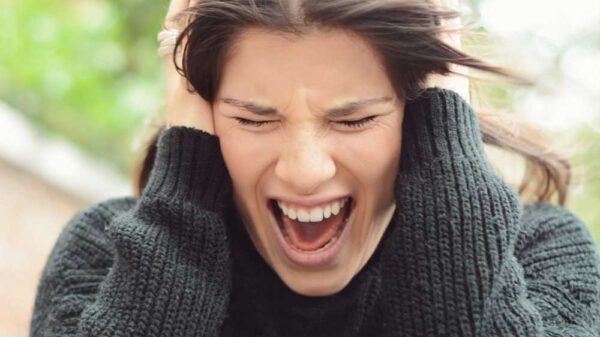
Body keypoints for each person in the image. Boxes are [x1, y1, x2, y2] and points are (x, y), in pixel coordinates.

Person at [29, 0, 600, 336]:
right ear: (199, 116)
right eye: (253, 120)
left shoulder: (544, 258)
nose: (304, 171)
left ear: (427, 109)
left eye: (354, 120)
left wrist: (447, 183)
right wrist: (181, 206)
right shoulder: (105, 258)